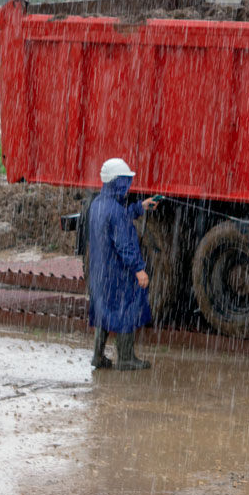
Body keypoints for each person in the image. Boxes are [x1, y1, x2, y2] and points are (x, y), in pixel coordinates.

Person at [88, 158, 159, 371]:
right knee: (126, 309)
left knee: (104, 310)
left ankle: (98, 356)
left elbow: (116, 219)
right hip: (118, 273)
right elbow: (125, 244)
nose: (128, 186)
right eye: (126, 181)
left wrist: (139, 207)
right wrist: (139, 269)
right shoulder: (116, 211)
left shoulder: (98, 205)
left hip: (101, 272)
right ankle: (126, 358)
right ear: (118, 182)